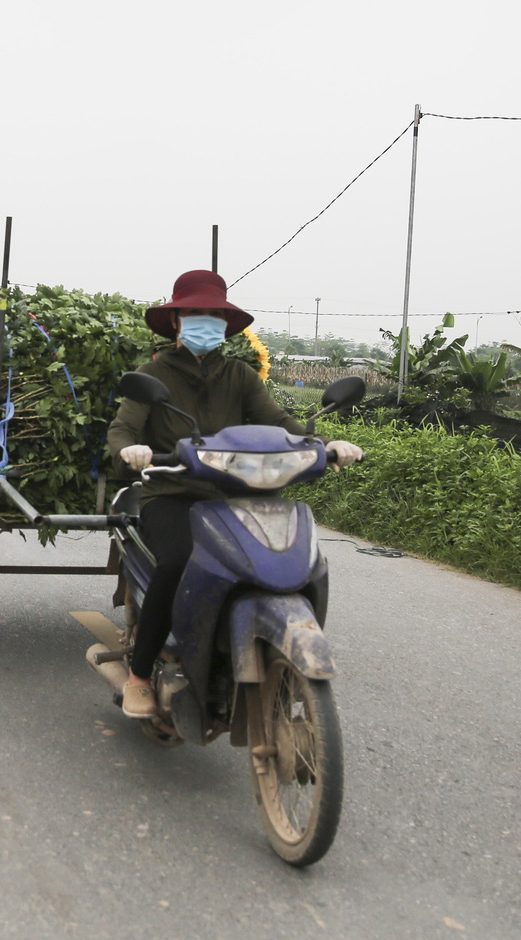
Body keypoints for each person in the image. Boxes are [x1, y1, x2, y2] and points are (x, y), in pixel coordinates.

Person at [103, 270, 363, 721]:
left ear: (225, 324)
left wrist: (323, 446)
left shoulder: (239, 375)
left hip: (234, 496)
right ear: (177, 322)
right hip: (172, 494)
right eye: (195, 313)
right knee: (178, 562)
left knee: (288, 561)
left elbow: (278, 420)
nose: (205, 321)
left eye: (214, 315)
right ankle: (140, 674)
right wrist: (131, 449)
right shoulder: (154, 373)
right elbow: (124, 426)